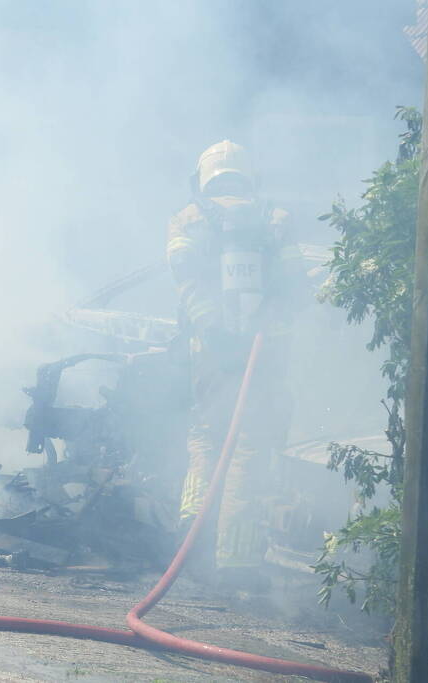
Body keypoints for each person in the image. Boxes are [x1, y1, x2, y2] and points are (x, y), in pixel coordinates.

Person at [166, 140, 304, 588]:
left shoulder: (189, 217)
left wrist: (211, 329)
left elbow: (183, 274)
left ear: (203, 177)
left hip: (210, 351)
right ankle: (236, 560)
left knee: (206, 435)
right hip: (262, 352)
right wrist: (265, 328)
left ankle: (191, 533)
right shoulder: (274, 218)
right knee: (247, 443)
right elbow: (295, 283)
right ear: (249, 175)